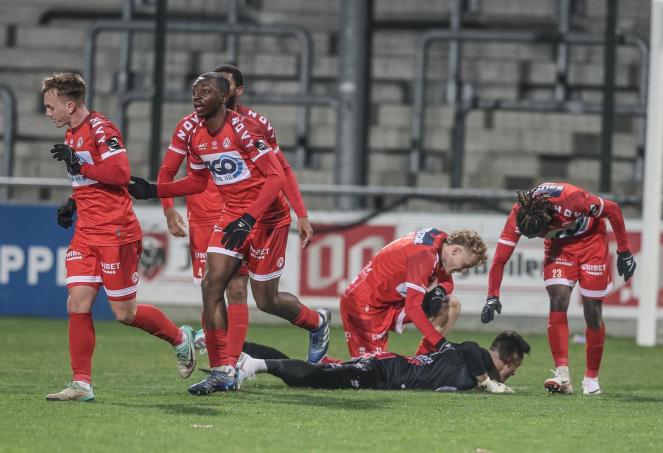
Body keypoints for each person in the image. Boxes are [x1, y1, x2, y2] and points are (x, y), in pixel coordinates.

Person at [127, 72, 329, 395]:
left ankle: (317, 321)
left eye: (204, 92)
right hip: (232, 214)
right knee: (212, 284)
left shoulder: (245, 129)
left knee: (265, 299)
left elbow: (276, 176)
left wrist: (253, 218)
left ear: (223, 97)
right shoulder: (195, 134)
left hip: (267, 218)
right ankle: (223, 370)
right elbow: (197, 182)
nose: (196, 97)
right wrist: (155, 190)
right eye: (194, 91)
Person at [41, 72, 196, 402]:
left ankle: (179, 338)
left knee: (125, 314)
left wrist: (79, 167)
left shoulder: (101, 129)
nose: (47, 113)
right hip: (86, 232)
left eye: (50, 106)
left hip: (116, 232)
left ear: (70, 105)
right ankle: (81, 384)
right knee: (77, 303)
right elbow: (89, 183)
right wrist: (72, 202)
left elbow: (121, 174)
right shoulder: (71, 133)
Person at [481, 182, 636, 395]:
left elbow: (613, 210)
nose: (539, 237)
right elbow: (499, 259)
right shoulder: (521, 213)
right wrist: (492, 296)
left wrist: (624, 251)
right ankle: (562, 376)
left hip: (592, 245)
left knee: (592, 311)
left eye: (541, 233)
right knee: (558, 299)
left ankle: (591, 379)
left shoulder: (574, 200)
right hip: (560, 250)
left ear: (548, 220)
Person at [340, 227, 487, 359]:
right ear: (455, 251)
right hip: (364, 306)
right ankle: (325, 365)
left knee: (451, 305)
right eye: (465, 265)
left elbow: (447, 282)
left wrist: (440, 291)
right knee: (372, 372)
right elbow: (413, 309)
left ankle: (423, 360)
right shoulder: (424, 256)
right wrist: (441, 343)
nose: (463, 271)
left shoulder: (440, 241)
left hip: (389, 303)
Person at [238, 330, 530, 393]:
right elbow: (468, 345)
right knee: (319, 378)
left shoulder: (469, 363)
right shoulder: (476, 354)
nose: (513, 374)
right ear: (509, 359)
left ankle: (239, 348)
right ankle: (254, 365)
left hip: (388, 367)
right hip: (387, 371)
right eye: (514, 367)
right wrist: (486, 382)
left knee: (312, 373)